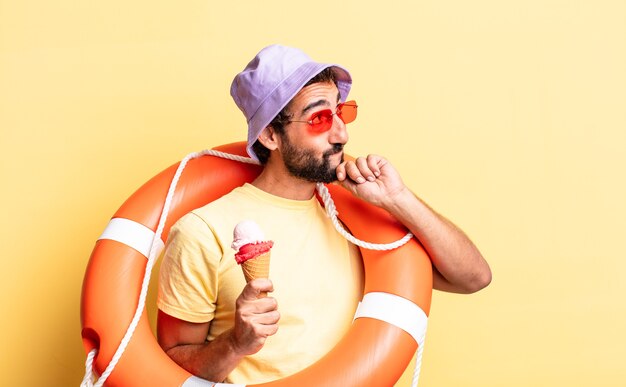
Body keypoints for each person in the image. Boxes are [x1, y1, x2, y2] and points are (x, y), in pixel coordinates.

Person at [156, 44, 491, 384]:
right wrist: (235, 344)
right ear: (271, 135)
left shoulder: (357, 221)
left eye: (341, 112)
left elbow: (473, 278)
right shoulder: (202, 230)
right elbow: (169, 365)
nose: (341, 134)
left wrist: (397, 198)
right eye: (319, 118)